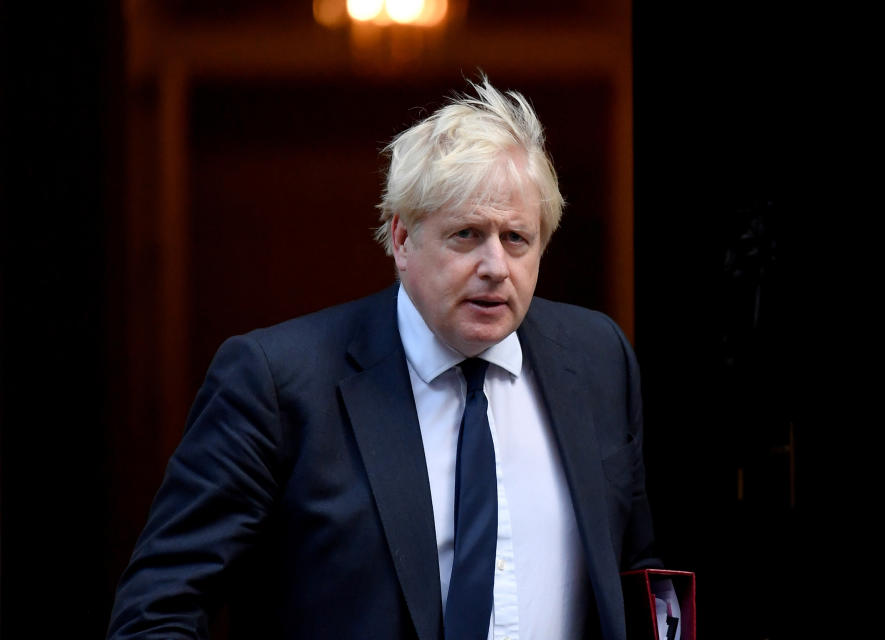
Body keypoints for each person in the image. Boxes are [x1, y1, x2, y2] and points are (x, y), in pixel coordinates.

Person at [107, 76, 661, 640]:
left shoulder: (597, 360)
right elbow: (157, 612)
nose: (496, 265)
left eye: (517, 238)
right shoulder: (277, 383)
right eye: (467, 235)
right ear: (401, 239)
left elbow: (642, 575)